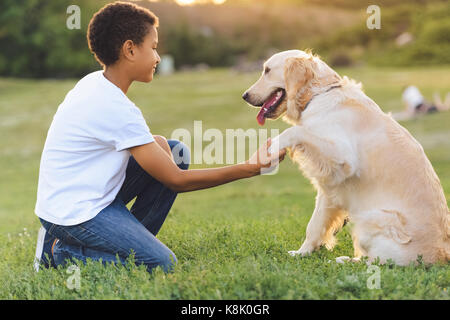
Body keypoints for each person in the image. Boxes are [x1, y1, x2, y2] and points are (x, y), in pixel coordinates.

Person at [33, 2, 286, 273]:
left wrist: (161, 145)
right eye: (153, 47)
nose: (157, 57)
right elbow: (176, 181)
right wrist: (250, 168)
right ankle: (61, 252)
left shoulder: (95, 83)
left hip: (79, 198)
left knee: (174, 152)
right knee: (162, 263)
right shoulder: (113, 106)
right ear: (130, 49)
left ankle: (122, 243)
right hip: (73, 215)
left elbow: (123, 145)